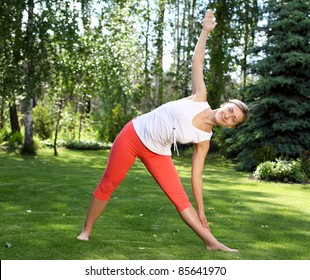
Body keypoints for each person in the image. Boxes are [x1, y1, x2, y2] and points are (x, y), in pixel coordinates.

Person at [77, 9, 248, 252]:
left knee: (180, 199)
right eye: (230, 110)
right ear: (225, 104)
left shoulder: (204, 140)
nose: (228, 115)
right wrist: (205, 31)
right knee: (109, 183)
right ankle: (86, 231)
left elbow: (196, 177)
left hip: (157, 152)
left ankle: (212, 243)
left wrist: (200, 208)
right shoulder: (200, 98)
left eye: (233, 119)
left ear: (231, 126)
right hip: (133, 134)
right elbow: (197, 61)